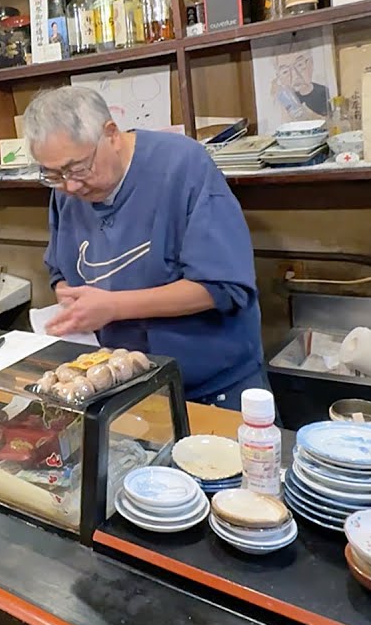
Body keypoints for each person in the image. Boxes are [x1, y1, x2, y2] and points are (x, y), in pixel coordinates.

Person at [25, 86, 265, 408]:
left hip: (211, 387)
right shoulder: (68, 190)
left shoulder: (182, 166)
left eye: (78, 168)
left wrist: (114, 306)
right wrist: (67, 295)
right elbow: (60, 268)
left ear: (110, 134)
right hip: (123, 386)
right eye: (53, 175)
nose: (69, 185)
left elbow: (223, 287)